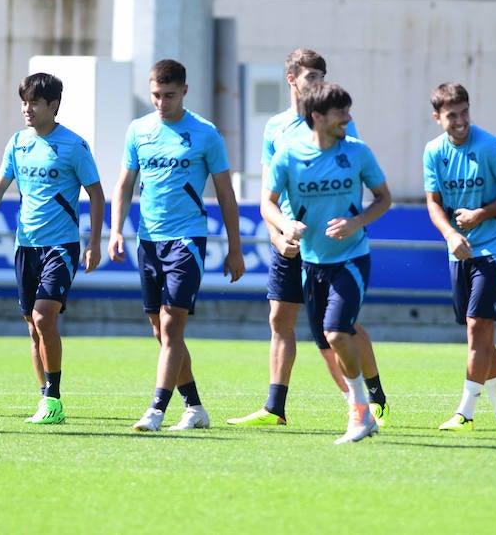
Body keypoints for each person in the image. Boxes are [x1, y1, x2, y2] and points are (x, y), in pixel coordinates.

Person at [229, 48, 389, 427]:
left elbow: (361, 177)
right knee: (280, 319)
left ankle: (370, 398)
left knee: (337, 328)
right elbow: (268, 195)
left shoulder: (338, 127)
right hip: (293, 238)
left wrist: (355, 221)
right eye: (310, 77)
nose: (317, 83)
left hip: (334, 244)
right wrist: (279, 233)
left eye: (321, 76)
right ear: (292, 80)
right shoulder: (276, 129)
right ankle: (274, 407)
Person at [111, 60, 246, 432]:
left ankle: (156, 411)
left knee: (171, 327)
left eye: (169, 95)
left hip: (187, 239)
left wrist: (235, 248)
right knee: (159, 329)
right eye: (156, 94)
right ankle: (195, 408)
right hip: (148, 240)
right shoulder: (138, 130)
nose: (161, 102)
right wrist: (115, 231)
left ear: (184, 91)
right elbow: (123, 184)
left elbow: (225, 193)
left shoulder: (205, 133)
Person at [0, 73, 105, 425]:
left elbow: (97, 194)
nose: (27, 109)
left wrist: (93, 242)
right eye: (24, 102)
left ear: (53, 105)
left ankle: (53, 397)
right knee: (32, 326)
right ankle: (45, 397)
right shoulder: (18, 142)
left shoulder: (74, 146)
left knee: (44, 316)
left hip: (60, 246)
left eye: (34, 103)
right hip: (25, 245)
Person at [263, 82, 392, 444]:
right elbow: (268, 203)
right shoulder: (288, 155)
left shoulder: (358, 152)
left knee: (337, 332)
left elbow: (384, 198)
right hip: (311, 262)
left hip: (351, 258)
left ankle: (360, 411)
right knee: (326, 339)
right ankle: (363, 412)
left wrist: (356, 222)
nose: (348, 119)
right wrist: (286, 226)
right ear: (316, 117)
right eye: (341, 114)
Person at [422, 83, 496, 433]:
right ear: (438, 118)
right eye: (452, 115)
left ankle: (465, 413)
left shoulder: (489, 146)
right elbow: (433, 202)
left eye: (464, 112)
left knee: (476, 327)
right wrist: (451, 234)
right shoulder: (433, 152)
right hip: (460, 250)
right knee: (480, 334)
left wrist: (480, 214)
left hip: (495, 246)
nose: (461, 121)